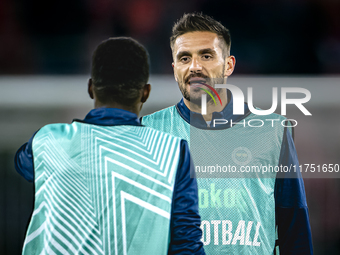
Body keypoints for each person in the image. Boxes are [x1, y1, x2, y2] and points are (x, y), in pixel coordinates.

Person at [141, 13, 313, 254]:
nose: (194, 67)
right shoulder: (146, 132)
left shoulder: (273, 130)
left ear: (229, 65)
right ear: (174, 68)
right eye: (184, 58)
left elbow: (293, 226)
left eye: (206, 55)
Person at [14, 37, 205, 255]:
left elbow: (23, 164)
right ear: (145, 92)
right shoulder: (173, 153)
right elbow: (186, 244)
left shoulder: (48, 140)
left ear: (91, 88)